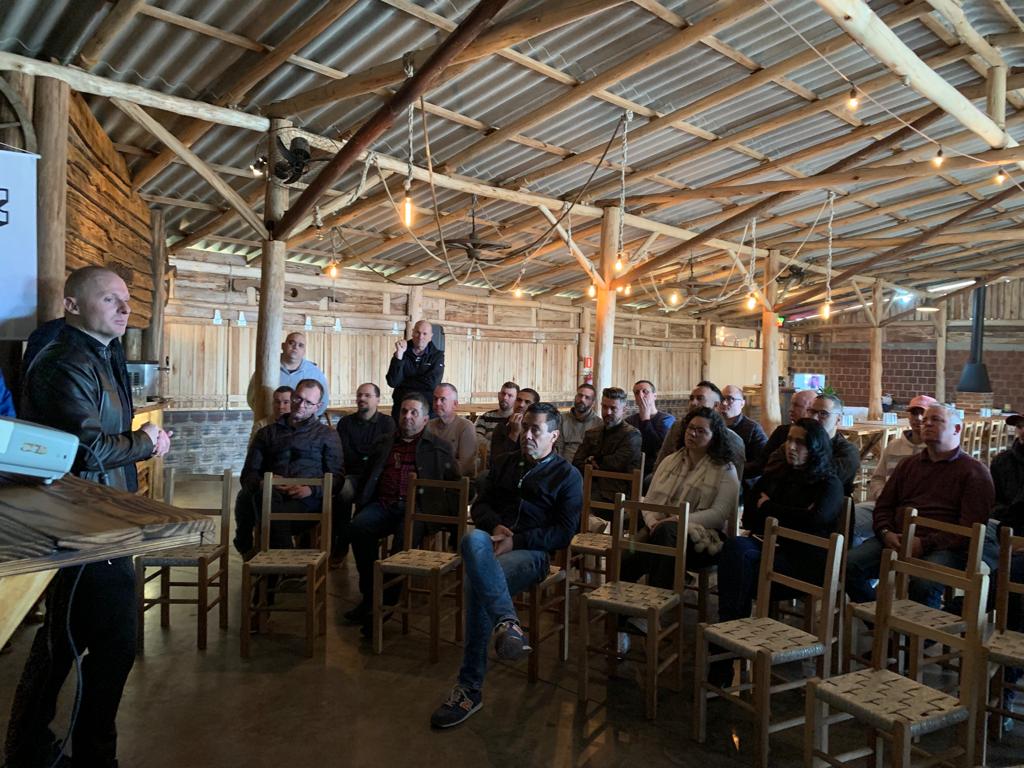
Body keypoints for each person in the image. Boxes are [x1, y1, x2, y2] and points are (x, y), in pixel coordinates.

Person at [6, 266, 171, 768]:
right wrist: (144, 442)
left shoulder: (102, 353)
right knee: (110, 644)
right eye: (110, 299)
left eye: (126, 299)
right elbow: (84, 450)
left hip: (101, 518)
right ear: (73, 305)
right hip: (81, 522)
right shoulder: (63, 361)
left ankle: (29, 747)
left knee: (65, 640)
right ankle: (89, 757)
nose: (125, 308)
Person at [430, 402, 581, 729]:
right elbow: (479, 506)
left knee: (476, 583)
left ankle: (469, 689)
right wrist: (496, 526)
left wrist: (518, 540)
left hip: (533, 554)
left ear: (554, 436)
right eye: (525, 427)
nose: (527, 435)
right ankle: (508, 623)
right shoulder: (505, 463)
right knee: (472, 539)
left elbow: (564, 532)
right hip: (493, 542)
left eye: (535, 429)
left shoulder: (567, 476)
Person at [712, 418, 844, 683]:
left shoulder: (828, 483)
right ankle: (728, 644)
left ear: (816, 447)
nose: (791, 447)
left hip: (805, 562)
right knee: (735, 551)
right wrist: (791, 514)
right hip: (772, 550)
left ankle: (724, 648)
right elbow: (751, 516)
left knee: (738, 567)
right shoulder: (780, 473)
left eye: (800, 442)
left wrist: (771, 508)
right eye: (789, 440)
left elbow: (815, 520)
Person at [844, 404, 995, 608]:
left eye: (936, 420)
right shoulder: (909, 464)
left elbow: (970, 528)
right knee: (848, 565)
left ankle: (918, 628)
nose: (927, 424)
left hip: (947, 546)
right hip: (898, 538)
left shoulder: (974, 472)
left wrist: (925, 543)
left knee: (923, 584)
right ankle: (881, 619)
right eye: (925, 421)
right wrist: (886, 532)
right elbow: (884, 505)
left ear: (957, 429)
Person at [344, 392, 458, 633]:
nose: (407, 416)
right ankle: (370, 595)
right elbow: (367, 477)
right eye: (404, 411)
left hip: (416, 510)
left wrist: (442, 516)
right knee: (358, 528)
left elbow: (454, 485)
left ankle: (384, 604)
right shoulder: (383, 443)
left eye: (414, 412)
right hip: (383, 504)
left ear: (425, 419)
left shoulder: (439, 447)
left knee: (401, 544)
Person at [621, 407, 739, 590]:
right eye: (690, 428)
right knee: (631, 550)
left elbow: (719, 515)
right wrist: (653, 522)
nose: (692, 433)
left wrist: (677, 520)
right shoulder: (670, 461)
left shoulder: (726, 469)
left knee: (657, 537)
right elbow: (649, 501)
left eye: (701, 431)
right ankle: (625, 603)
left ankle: (657, 599)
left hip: (703, 538)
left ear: (714, 436)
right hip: (659, 529)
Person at [235, 380, 344, 555]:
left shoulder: (328, 435)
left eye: (308, 402)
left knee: (265, 508)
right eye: (298, 398)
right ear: (292, 396)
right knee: (262, 498)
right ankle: (287, 564)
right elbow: (248, 473)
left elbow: (337, 478)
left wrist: (310, 489)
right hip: (270, 494)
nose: (301, 405)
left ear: (317, 407)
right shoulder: (266, 433)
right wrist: (264, 483)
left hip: (307, 500)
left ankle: (273, 562)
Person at [850, 394, 936, 545]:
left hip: (918, 512)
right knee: (846, 518)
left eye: (923, 413)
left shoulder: (936, 451)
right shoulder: (894, 446)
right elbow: (877, 478)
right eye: (914, 413)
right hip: (884, 505)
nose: (918, 418)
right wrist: (883, 496)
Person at [334, 383, 394, 564]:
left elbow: (383, 455)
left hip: (377, 477)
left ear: (378, 399)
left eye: (367, 395)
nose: (361, 398)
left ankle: (361, 537)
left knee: (368, 495)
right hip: (353, 475)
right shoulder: (345, 423)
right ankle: (341, 543)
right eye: (359, 395)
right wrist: (367, 456)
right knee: (343, 491)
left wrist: (364, 457)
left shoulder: (387, 423)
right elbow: (344, 453)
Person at [763, 393, 860, 497]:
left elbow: (823, 483)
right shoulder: (795, 442)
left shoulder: (847, 451)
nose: (814, 418)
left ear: (838, 419)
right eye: (811, 411)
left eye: (823, 414)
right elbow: (771, 469)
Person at [655, 381, 747, 484]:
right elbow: (661, 463)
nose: (693, 403)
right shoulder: (677, 428)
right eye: (691, 398)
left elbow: (734, 483)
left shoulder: (733, 440)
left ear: (716, 405)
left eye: (700, 398)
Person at [573, 387, 642, 506]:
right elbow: (577, 462)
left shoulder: (632, 435)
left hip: (616, 492)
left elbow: (616, 463)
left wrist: (592, 460)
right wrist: (594, 463)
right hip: (587, 486)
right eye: (604, 407)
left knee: (574, 504)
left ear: (624, 410)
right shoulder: (592, 433)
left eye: (613, 408)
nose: (607, 412)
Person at [246, 331, 329, 417]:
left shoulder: (315, 372)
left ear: (304, 351)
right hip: (271, 420)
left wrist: (307, 420)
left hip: (301, 422)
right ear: (283, 346)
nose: (295, 347)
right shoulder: (266, 368)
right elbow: (252, 397)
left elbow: (323, 402)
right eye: (291, 343)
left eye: (300, 345)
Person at [746, 389, 818, 481]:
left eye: (796, 405)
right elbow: (761, 464)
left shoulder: (820, 437)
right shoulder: (782, 432)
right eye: (791, 404)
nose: (790, 409)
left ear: (810, 410)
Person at [385, 319, 444, 422]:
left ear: (431, 336)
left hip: (427, 411)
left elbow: (432, 384)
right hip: (401, 410)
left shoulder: (437, 355)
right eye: (418, 332)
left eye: (425, 334)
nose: (420, 337)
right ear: (412, 332)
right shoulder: (402, 351)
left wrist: (404, 383)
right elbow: (393, 382)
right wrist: (399, 356)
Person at [625, 379, 675, 474]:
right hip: (633, 468)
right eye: (637, 393)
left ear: (654, 396)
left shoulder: (667, 419)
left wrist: (645, 419)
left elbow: (658, 448)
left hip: (657, 470)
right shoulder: (629, 421)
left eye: (645, 391)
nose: (640, 395)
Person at [427, 383, 477, 477]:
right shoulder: (428, 425)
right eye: (435, 399)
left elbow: (465, 467)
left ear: (455, 404)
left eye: (442, 399)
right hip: (429, 480)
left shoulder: (466, 427)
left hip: (456, 482)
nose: (437, 403)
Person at [489, 387, 540, 469]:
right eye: (518, 400)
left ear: (535, 406)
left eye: (527, 402)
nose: (521, 405)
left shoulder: (540, 429)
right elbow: (497, 461)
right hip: (507, 471)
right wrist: (514, 433)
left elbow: (540, 456)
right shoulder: (502, 426)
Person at [718, 384, 767, 465]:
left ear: (742, 403)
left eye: (730, 399)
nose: (724, 403)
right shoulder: (714, 425)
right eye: (722, 399)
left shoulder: (753, 429)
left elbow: (762, 460)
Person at [474, 381, 518, 465]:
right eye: (503, 394)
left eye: (510, 395)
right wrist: (497, 449)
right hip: (486, 460)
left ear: (516, 399)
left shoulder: (517, 419)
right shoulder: (485, 416)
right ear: (498, 395)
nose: (505, 398)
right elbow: (477, 438)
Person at [992, 413, 1024, 528]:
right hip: (1006, 525)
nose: (1023, 431)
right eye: (1020, 426)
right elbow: (994, 498)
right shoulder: (1002, 461)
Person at [558, 383, 603, 462]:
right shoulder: (561, 419)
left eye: (587, 397)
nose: (582, 399)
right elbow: (558, 447)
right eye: (580, 395)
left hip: (585, 465)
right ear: (575, 397)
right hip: (564, 463)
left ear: (593, 403)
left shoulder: (599, 424)